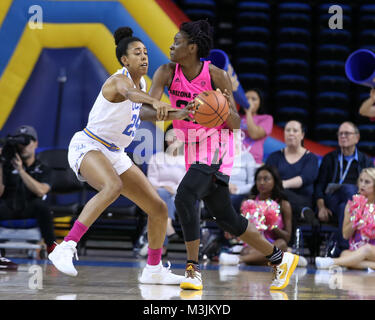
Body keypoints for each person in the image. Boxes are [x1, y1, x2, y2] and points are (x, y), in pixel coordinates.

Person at [140, 20, 299, 291]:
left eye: (177, 42)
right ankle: (280, 259)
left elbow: (237, 123)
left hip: (217, 145)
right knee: (227, 218)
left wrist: (218, 107)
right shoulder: (166, 72)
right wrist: (178, 112)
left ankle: (192, 269)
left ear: (191, 48)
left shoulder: (216, 75)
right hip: (191, 145)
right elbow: (145, 112)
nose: (171, 45)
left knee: (185, 195)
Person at [48, 27, 187, 285]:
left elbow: (143, 112)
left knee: (157, 208)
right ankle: (65, 247)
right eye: (137, 53)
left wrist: (181, 113)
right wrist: (156, 102)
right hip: (89, 144)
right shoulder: (118, 80)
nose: (144, 57)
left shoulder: (143, 83)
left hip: (115, 152)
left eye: (146, 52)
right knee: (113, 186)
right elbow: (131, 95)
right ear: (125, 60)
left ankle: (153, 269)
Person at [219, 165, 307, 267]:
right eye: (258, 179)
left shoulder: (283, 204)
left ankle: (239, 259)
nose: (261, 182)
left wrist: (272, 226)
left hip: (273, 243)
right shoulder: (248, 202)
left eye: (266, 179)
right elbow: (242, 230)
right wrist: (232, 231)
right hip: (253, 244)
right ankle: (285, 259)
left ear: (275, 181)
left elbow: (287, 237)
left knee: (281, 244)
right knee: (247, 251)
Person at [314, 121, 374, 255]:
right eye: (340, 134)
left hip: (352, 203)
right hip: (332, 198)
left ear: (357, 138)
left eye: (347, 133)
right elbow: (319, 185)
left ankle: (342, 247)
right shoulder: (330, 158)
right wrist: (321, 207)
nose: (343, 136)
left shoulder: (365, 160)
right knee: (350, 190)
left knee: (345, 206)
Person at [0, 125, 57, 256]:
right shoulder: (5, 166)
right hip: (8, 207)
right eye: (20, 143)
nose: (24, 146)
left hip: (30, 209)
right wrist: (1, 163)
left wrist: (21, 170)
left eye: (27, 141)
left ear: (36, 143)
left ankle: (52, 249)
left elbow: (41, 191)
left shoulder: (44, 169)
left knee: (43, 207)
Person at [316, 168, 375, 270]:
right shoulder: (351, 205)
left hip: (371, 250)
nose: (362, 185)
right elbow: (346, 235)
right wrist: (356, 217)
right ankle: (370, 266)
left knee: (366, 249)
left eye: (367, 182)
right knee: (344, 254)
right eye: (360, 181)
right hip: (356, 250)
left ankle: (332, 262)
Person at [266, 120, 319, 230]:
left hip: (302, 197)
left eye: (295, 130)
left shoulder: (311, 158)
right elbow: (268, 177)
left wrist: (281, 184)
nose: (291, 133)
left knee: (282, 198)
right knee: (280, 200)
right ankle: (302, 211)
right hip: (278, 199)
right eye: (288, 130)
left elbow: (305, 178)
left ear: (302, 135)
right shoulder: (274, 157)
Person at [142, 125, 186, 256]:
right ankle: (168, 226)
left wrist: (172, 189)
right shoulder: (156, 158)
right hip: (157, 193)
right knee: (161, 195)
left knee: (162, 203)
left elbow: (185, 181)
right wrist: (163, 187)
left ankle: (162, 243)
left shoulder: (186, 160)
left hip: (178, 195)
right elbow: (151, 180)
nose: (173, 139)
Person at [240, 88, 273, 165]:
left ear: (260, 102)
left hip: (254, 161)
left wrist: (248, 112)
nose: (249, 101)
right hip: (235, 160)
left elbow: (254, 134)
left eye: (253, 99)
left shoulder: (267, 118)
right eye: (246, 98)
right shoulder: (236, 117)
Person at [229, 146, 256, 213]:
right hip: (221, 190)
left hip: (240, 194)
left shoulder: (248, 157)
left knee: (231, 200)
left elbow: (253, 184)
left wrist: (237, 190)